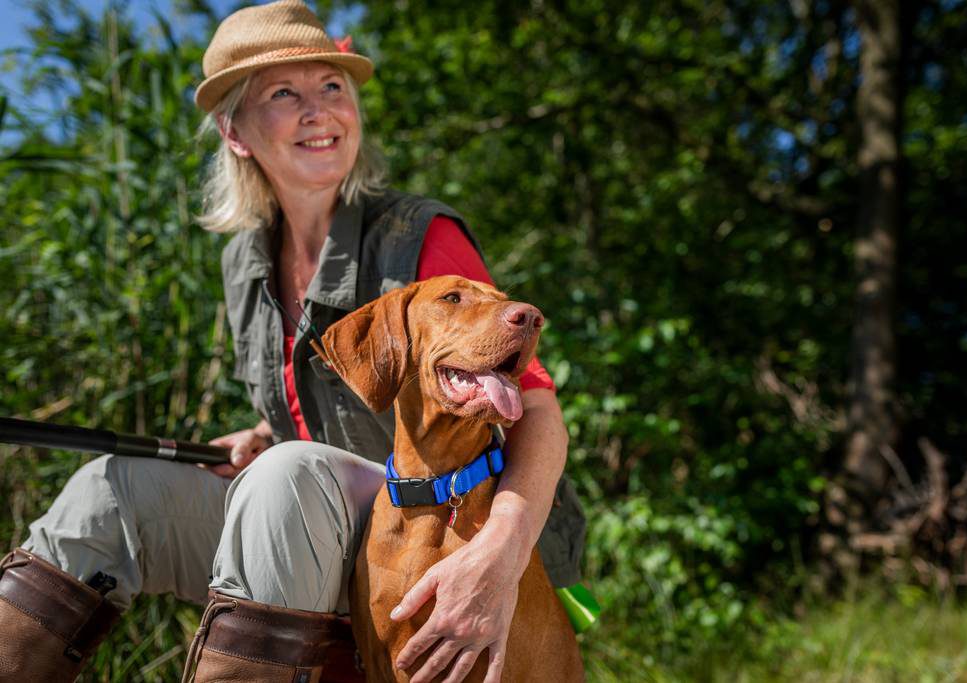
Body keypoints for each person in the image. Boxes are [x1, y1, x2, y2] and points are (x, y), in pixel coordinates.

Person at [0, 2, 586, 682]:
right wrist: (263, 432)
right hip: (309, 523)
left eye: (332, 87)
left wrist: (501, 557)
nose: (319, 110)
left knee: (287, 477)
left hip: (436, 525)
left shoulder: (419, 237)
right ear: (236, 131)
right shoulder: (245, 261)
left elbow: (536, 409)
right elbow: (319, 406)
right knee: (110, 489)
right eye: (285, 93)